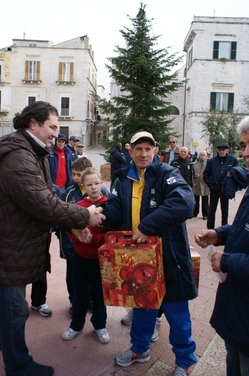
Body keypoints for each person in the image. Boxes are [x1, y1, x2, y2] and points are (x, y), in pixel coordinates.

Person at [0, 101, 105, 376]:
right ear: (32, 124)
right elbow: (43, 203)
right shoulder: (19, 157)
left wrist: (72, 226)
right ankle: (19, 366)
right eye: (51, 127)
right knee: (15, 310)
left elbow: (44, 196)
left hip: (8, 242)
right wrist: (84, 217)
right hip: (9, 246)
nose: (55, 133)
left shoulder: (28, 151)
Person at [101, 131, 197, 376]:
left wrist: (146, 226)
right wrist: (97, 213)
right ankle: (139, 349)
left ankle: (185, 361)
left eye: (148, 149)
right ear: (130, 151)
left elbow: (184, 203)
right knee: (142, 307)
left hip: (170, 256)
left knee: (177, 312)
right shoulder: (122, 177)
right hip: (138, 258)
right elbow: (115, 208)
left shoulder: (167, 173)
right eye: (138, 149)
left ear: (155, 150)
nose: (143, 154)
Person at [194, 116, 249, 376]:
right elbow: (242, 228)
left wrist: (226, 261)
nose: (245, 153)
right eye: (243, 145)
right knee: (233, 361)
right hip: (237, 307)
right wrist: (218, 234)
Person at [61, 167, 119, 344]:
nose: (93, 188)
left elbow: (112, 235)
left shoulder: (110, 206)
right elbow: (70, 229)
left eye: (96, 183)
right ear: (82, 186)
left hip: (101, 260)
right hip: (80, 257)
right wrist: (77, 236)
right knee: (79, 293)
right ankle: (76, 325)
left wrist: (93, 239)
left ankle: (100, 325)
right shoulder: (78, 206)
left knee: (99, 295)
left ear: (102, 183)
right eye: (89, 185)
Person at [54, 157, 109, 317]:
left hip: (96, 248)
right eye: (74, 174)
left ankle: (91, 301)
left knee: (95, 279)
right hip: (72, 246)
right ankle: (74, 301)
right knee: (73, 276)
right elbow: (62, 217)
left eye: (79, 174)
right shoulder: (69, 193)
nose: (76, 178)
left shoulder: (104, 195)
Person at [203, 143, 238, 229]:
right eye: (220, 150)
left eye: (223, 150)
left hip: (226, 189)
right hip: (215, 189)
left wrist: (234, 184)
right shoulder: (211, 161)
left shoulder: (232, 160)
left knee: (225, 211)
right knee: (212, 210)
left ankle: (224, 228)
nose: (221, 152)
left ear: (227, 151)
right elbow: (206, 175)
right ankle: (210, 228)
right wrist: (211, 185)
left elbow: (238, 173)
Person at [192, 150, 210, 220]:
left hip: (205, 184)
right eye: (201, 155)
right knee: (196, 199)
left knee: (205, 200)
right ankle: (195, 212)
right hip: (197, 183)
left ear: (206, 156)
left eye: (203, 155)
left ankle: (205, 214)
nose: (202, 156)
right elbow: (191, 173)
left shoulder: (209, 163)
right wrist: (194, 175)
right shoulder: (194, 163)